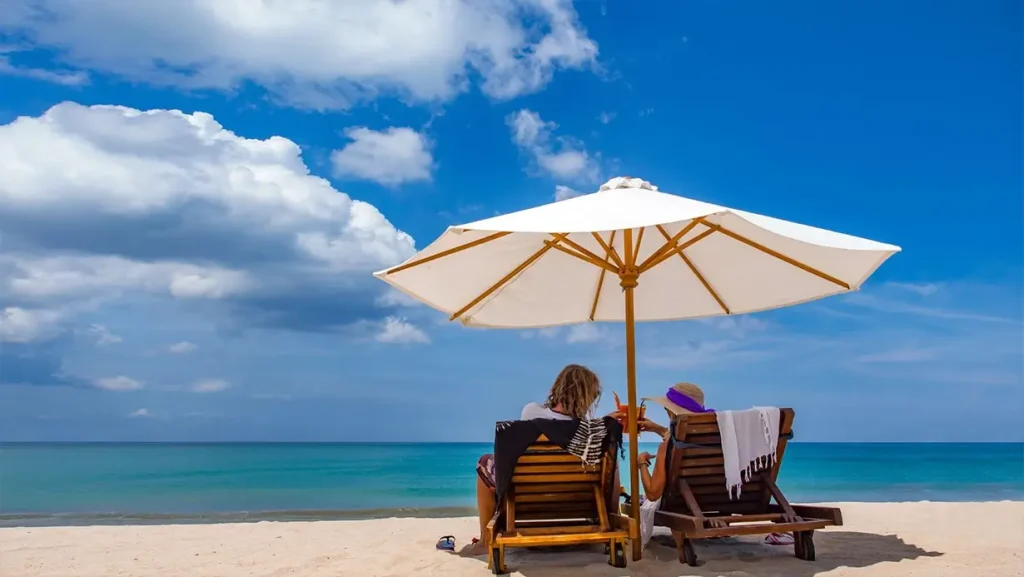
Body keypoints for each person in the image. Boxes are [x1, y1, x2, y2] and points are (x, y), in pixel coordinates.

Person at [468, 364, 618, 555]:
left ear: (559, 388)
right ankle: (612, 521)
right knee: (612, 463)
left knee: (484, 462)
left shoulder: (532, 412)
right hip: (576, 499)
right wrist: (606, 425)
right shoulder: (591, 433)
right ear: (585, 396)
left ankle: (484, 541)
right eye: (594, 395)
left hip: (529, 496)